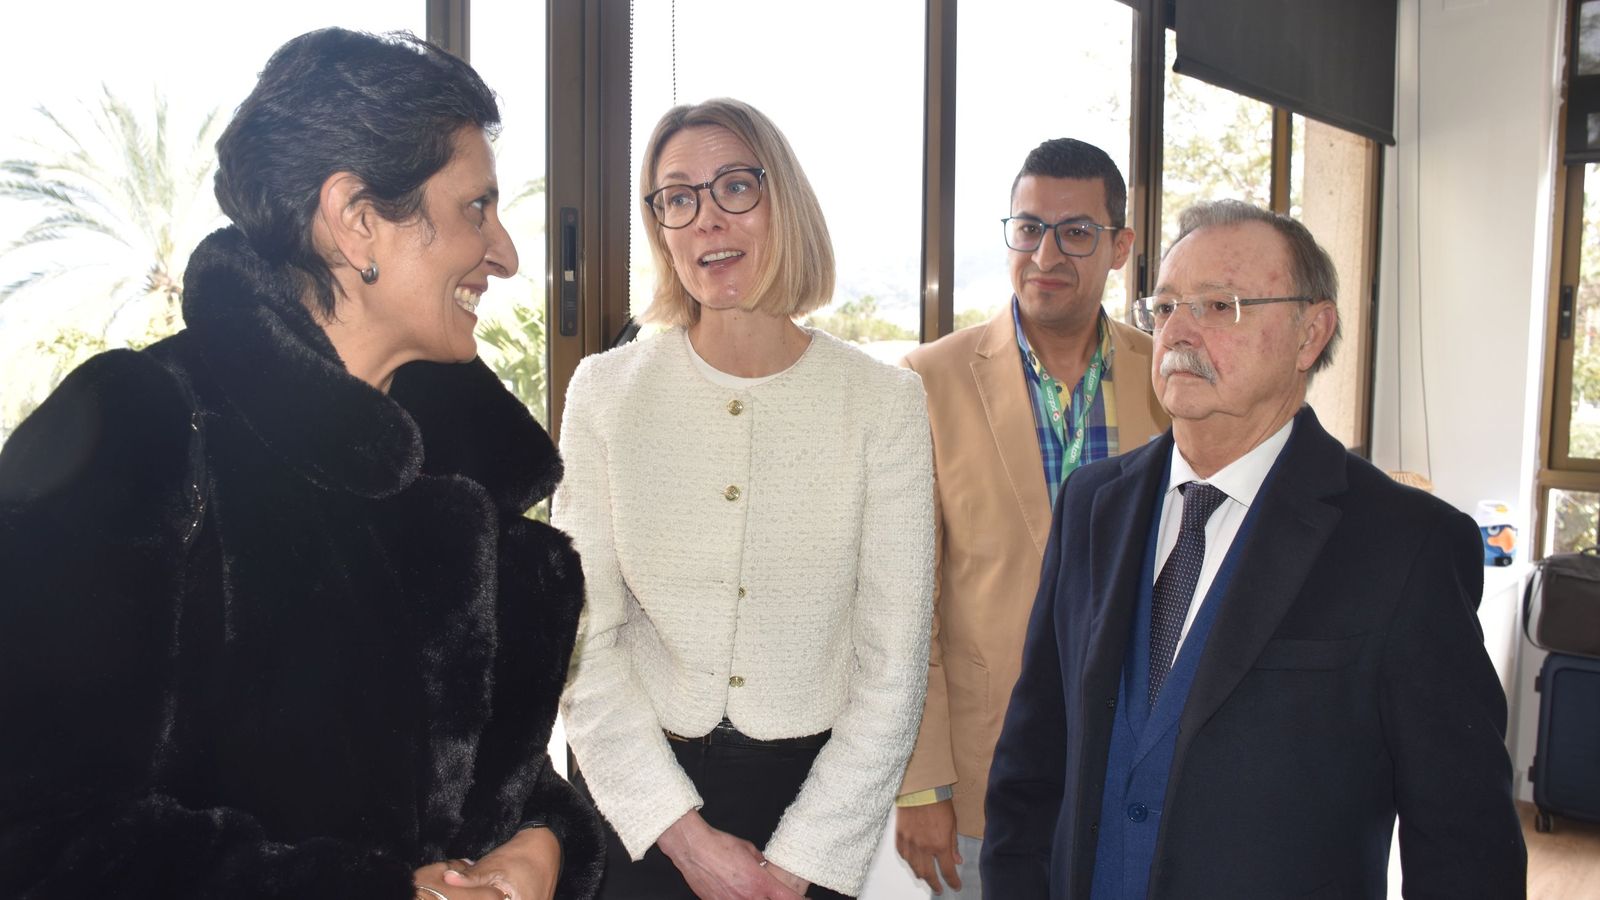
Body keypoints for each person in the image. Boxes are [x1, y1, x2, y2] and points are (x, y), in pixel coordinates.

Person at [0, 28, 602, 900]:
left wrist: (546, 839)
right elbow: (38, 833)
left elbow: (473, 773)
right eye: (477, 207)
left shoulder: (466, 479)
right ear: (356, 216)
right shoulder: (139, 427)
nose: (506, 253)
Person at [982, 199, 1526, 898]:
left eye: (1219, 306)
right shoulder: (1094, 505)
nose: (1178, 330)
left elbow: (1462, 841)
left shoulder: (1405, 544)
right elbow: (1033, 763)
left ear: (1310, 333)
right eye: (1168, 304)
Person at [555, 97, 934, 900]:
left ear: (783, 201)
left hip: (812, 808)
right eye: (677, 197)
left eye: (735, 187)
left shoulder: (884, 402)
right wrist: (684, 839)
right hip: (635, 804)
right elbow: (584, 641)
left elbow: (892, 664)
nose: (705, 220)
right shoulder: (605, 392)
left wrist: (798, 863)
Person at [894, 138, 1168, 897]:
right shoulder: (927, 381)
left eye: (1077, 232)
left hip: (1136, 766)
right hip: (991, 772)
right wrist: (922, 783)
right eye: (1028, 228)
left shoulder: (1168, 378)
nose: (1047, 254)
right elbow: (904, 600)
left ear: (1120, 246)